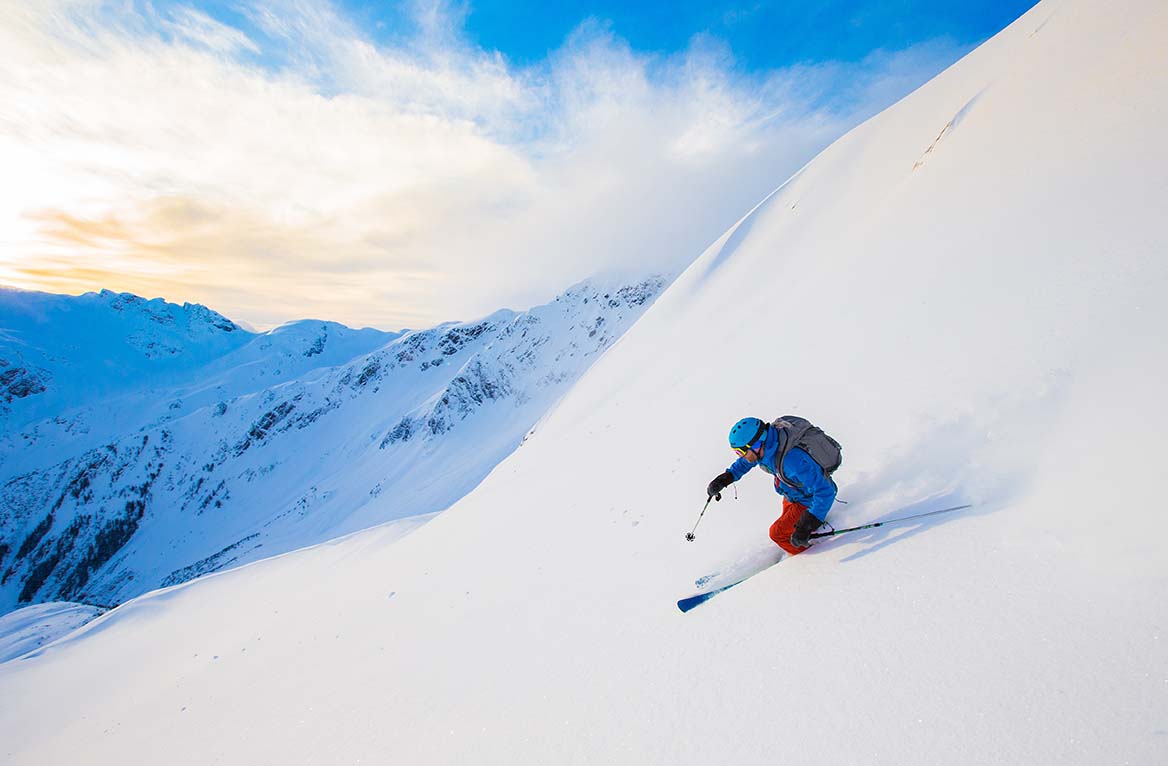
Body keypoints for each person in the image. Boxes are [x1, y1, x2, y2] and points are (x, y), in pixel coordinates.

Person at [707, 416, 839, 555]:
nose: (741, 456)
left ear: (756, 446)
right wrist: (725, 479)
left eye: (741, 452)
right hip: (792, 493)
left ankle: (810, 558)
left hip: (808, 499)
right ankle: (808, 530)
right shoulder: (768, 446)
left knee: (778, 533)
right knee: (790, 526)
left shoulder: (792, 461)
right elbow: (746, 462)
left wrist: (808, 523)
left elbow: (825, 491)